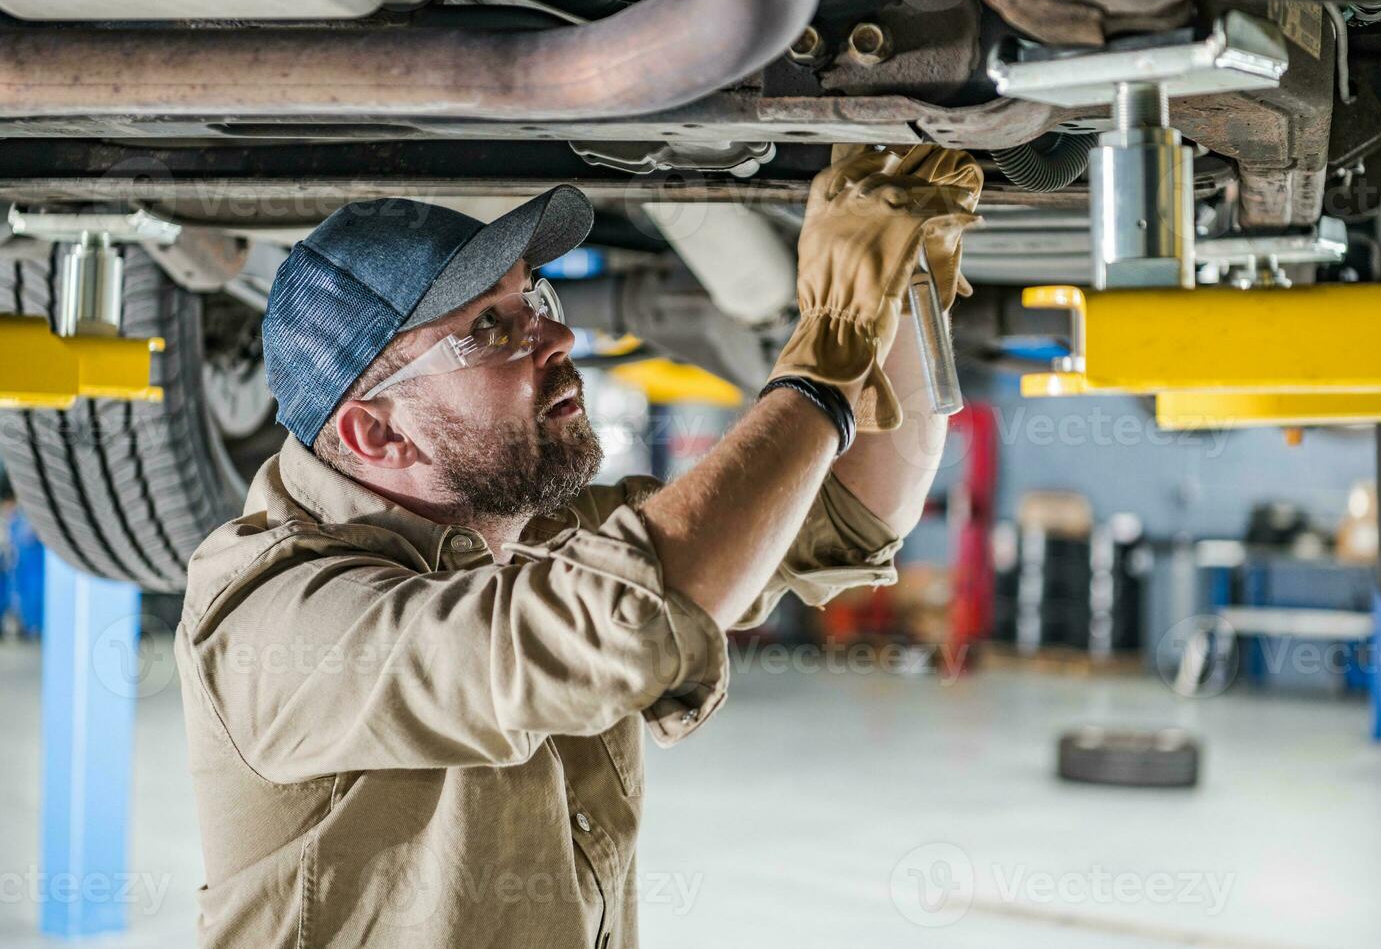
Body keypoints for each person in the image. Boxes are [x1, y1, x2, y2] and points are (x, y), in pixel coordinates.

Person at [175, 145, 983, 947]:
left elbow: (852, 506)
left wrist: (907, 287)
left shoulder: (533, 535)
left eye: (531, 299)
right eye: (488, 329)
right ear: (376, 432)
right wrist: (824, 360)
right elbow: (623, 619)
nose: (555, 336)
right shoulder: (279, 621)